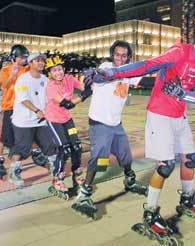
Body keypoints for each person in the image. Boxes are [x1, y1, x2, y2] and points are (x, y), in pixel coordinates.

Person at [84, 15, 195, 234]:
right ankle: (150, 213)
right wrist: (111, 73)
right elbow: (146, 66)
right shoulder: (179, 53)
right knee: (166, 165)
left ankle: (187, 199)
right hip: (159, 114)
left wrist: (182, 93)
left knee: (190, 159)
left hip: (179, 115)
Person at [71, 40, 148, 218]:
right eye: (116, 54)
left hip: (116, 123)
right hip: (99, 122)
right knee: (99, 158)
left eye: (124, 55)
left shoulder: (129, 71)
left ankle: (129, 180)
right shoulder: (106, 66)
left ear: (128, 57)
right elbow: (106, 74)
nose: (119, 58)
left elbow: (144, 76)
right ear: (111, 54)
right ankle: (84, 194)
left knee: (125, 155)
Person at [44, 55, 92, 199]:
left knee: (76, 146)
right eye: (54, 71)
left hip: (66, 120)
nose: (58, 73)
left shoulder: (69, 79)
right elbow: (68, 104)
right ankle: (57, 179)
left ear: (63, 69)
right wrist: (84, 96)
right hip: (53, 120)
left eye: (59, 69)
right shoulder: (50, 87)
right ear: (50, 73)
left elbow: (85, 88)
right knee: (64, 149)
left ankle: (77, 175)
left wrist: (91, 84)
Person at [7, 52, 57, 187]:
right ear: (30, 63)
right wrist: (37, 111)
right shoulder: (23, 79)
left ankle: (55, 168)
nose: (41, 62)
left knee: (49, 145)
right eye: (37, 60)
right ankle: (13, 172)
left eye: (42, 61)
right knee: (22, 148)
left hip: (41, 121)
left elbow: (50, 98)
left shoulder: (45, 80)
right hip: (24, 121)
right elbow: (23, 99)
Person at [0, 44, 30, 179]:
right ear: (14, 57)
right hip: (8, 108)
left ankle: (16, 166)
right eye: (21, 57)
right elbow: (4, 87)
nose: (24, 60)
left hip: (23, 108)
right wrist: (13, 72)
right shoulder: (6, 69)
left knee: (20, 137)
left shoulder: (27, 69)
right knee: (3, 136)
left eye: (25, 57)